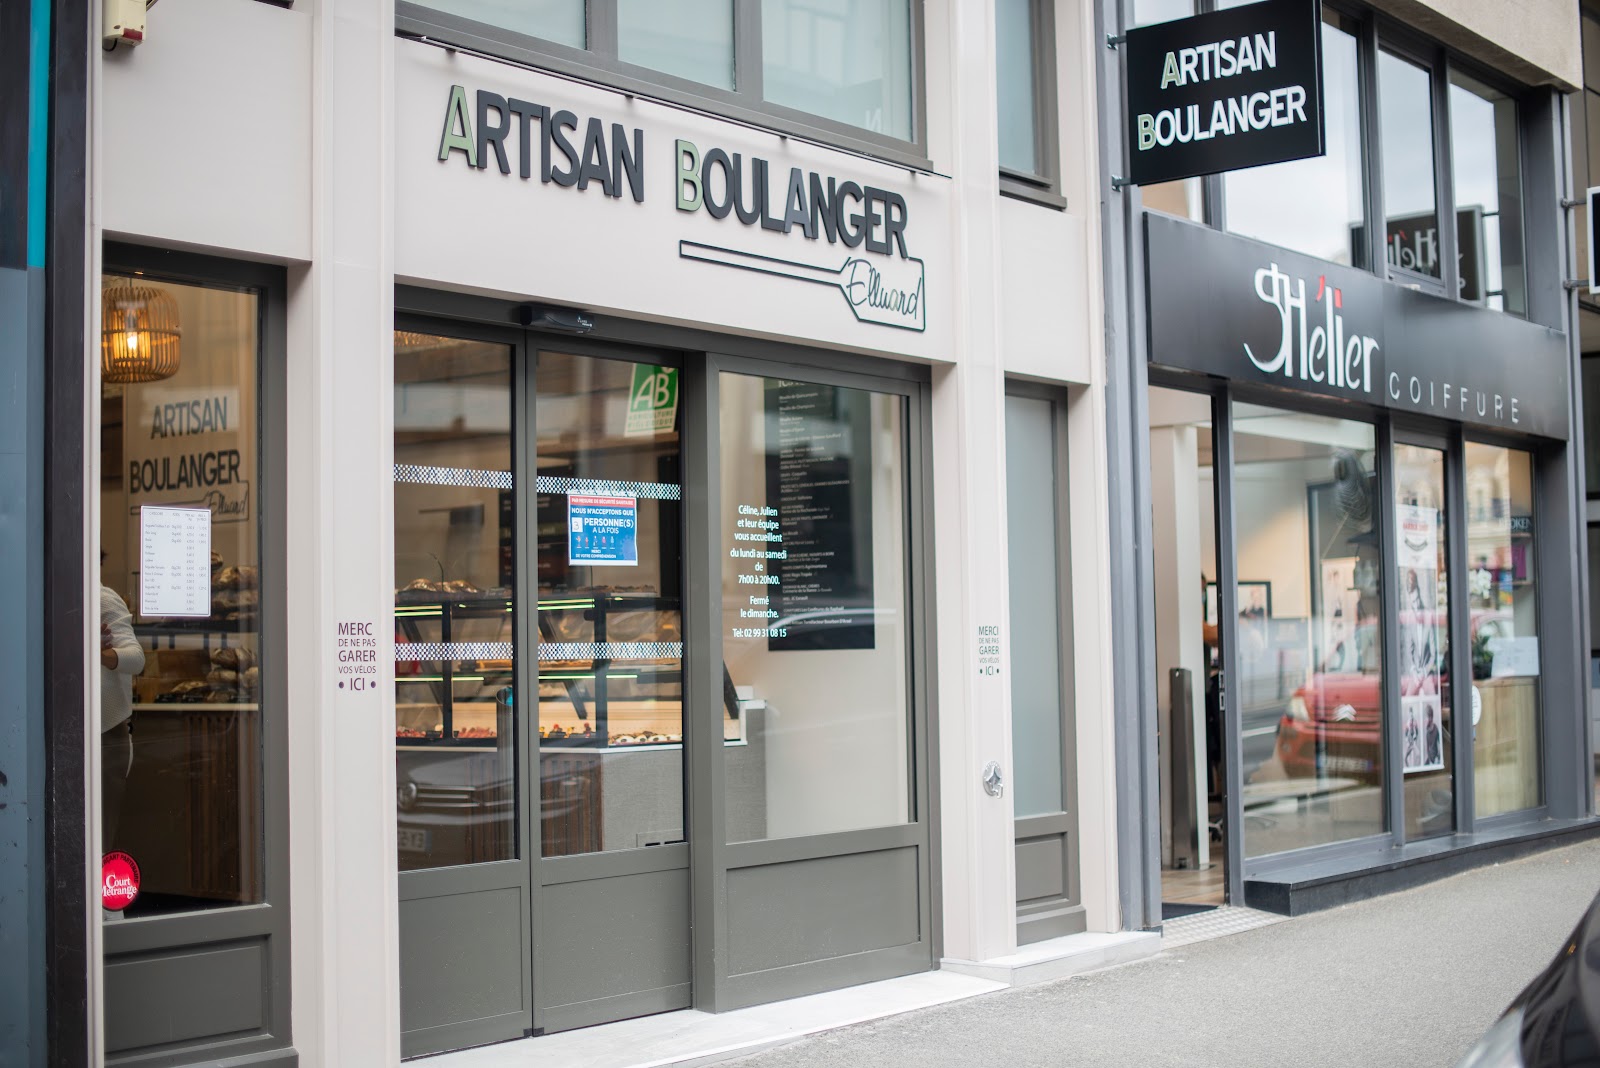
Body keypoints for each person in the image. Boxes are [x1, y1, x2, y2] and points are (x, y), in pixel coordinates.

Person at [101, 571, 145, 849]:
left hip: (107, 734)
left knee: (101, 839)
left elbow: (137, 658)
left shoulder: (102, 599)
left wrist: (101, 655)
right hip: (72, 734)